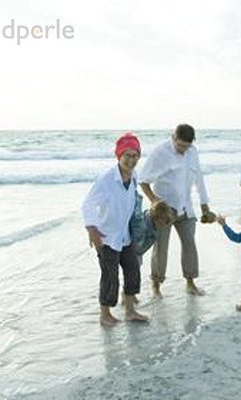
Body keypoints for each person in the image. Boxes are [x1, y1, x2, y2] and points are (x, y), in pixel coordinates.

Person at [138, 124, 216, 298]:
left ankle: (190, 283)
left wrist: (204, 204)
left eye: (186, 146)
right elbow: (143, 180)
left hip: (186, 206)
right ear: (173, 137)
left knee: (190, 244)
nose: (182, 150)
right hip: (164, 210)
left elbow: (198, 177)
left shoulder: (193, 151)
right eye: (179, 146)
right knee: (161, 248)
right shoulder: (160, 152)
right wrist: (155, 202)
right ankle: (156, 286)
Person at [82, 132, 149, 326]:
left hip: (126, 235)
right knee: (110, 277)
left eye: (135, 155)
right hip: (107, 237)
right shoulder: (106, 179)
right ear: (118, 156)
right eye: (127, 155)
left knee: (133, 271)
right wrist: (92, 230)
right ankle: (105, 315)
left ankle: (130, 311)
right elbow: (88, 204)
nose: (131, 160)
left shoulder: (134, 176)